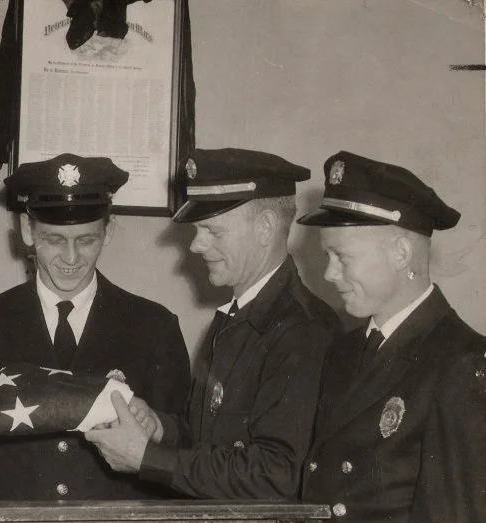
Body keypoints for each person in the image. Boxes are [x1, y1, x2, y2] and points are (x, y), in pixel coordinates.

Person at [297, 151, 486, 523]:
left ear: (402, 254)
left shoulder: (461, 364)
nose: (329, 274)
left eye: (342, 257)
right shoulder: (346, 355)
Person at [0, 153, 191, 501]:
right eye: (54, 240)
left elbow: (186, 440)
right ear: (26, 230)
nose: (70, 258)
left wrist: (156, 425)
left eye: (86, 240)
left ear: (107, 231)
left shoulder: (154, 327)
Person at [85, 147, 341, 500]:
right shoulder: (234, 318)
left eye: (213, 231)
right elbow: (209, 438)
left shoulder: (304, 330)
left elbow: (278, 473)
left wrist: (148, 458)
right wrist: (160, 429)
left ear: (266, 227)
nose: (197, 245)